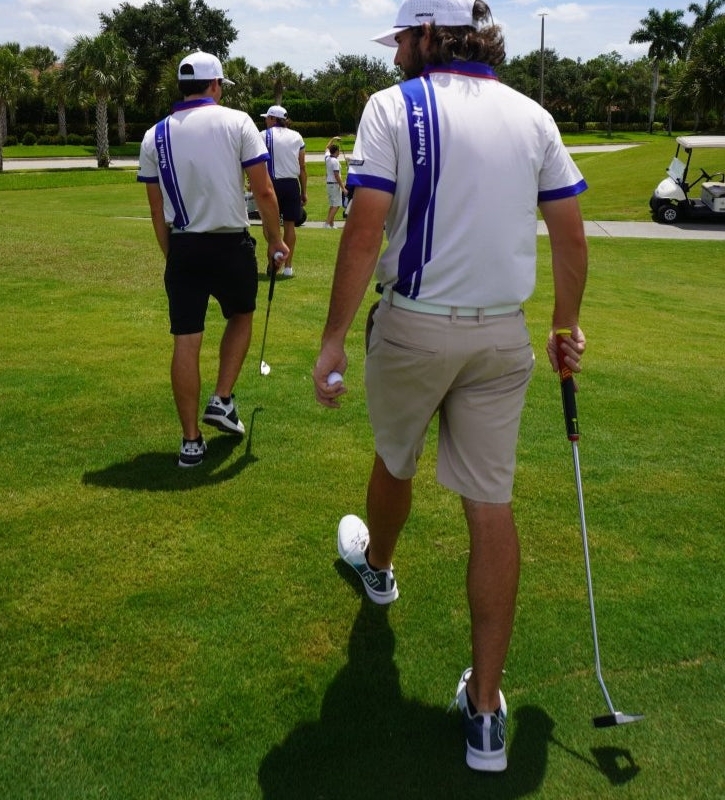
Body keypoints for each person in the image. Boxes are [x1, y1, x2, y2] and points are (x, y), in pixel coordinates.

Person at [312, 0, 588, 773]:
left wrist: (333, 339)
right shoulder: (532, 114)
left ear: (430, 34)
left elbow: (365, 228)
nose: (396, 49)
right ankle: (488, 713)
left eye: (402, 35)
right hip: (502, 336)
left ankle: (378, 570)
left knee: (395, 460)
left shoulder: (390, 107)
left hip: (414, 325)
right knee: (489, 505)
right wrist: (566, 324)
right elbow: (570, 234)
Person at [138, 51, 288, 468]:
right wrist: (276, 239)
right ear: (216, 85)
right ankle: (221, 398)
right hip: (229, 243)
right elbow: (264, 193)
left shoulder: (155, 135)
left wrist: (173, 255)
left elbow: (155, 209)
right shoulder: (238, 121)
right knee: (241, 315)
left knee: (186, 339)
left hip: (183, 246)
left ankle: (190, 442)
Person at [260, 105, 307, 276]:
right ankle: (288, 267)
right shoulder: (297, 136)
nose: (265, 121)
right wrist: (304, 191)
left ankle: (274, 260)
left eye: (267, 118)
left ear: (273, 119)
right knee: (290, 225)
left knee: (269, 224)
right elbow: (302, 166)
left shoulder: (263, 135)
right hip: (291, 184)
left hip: (272, 184)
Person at [324, 137, 347, 228]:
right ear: (336, 151)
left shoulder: (327, 158)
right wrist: (343, 188)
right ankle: (327, 223)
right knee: (337, 205)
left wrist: (333, 139)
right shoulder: (335, 161)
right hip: (334, 185)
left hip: (329, 184)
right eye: (339, 151)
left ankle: (331, 223)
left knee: (332, 204)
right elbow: (337, 176)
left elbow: (326, 148)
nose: (340, 152)